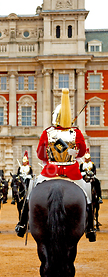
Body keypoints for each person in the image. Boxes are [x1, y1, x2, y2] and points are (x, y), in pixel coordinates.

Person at [15, 89, 96, 242]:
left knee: (31, 190)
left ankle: (21, 224)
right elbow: (81, 154)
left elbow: (40, 155)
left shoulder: (47, 133)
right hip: (73, 173)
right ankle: (90, 229)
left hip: (50, 172)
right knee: (88, 195)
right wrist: (70, 151)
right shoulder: (76, 133)